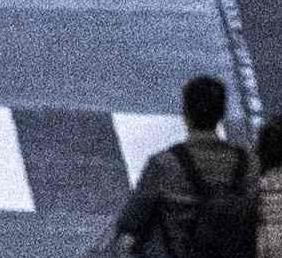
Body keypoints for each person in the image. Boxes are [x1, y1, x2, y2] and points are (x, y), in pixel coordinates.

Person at [112, 72, 261, 258]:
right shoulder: (249, 163)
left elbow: (131, 221)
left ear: (186, 113)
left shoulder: (164, 165)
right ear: (221, 113)